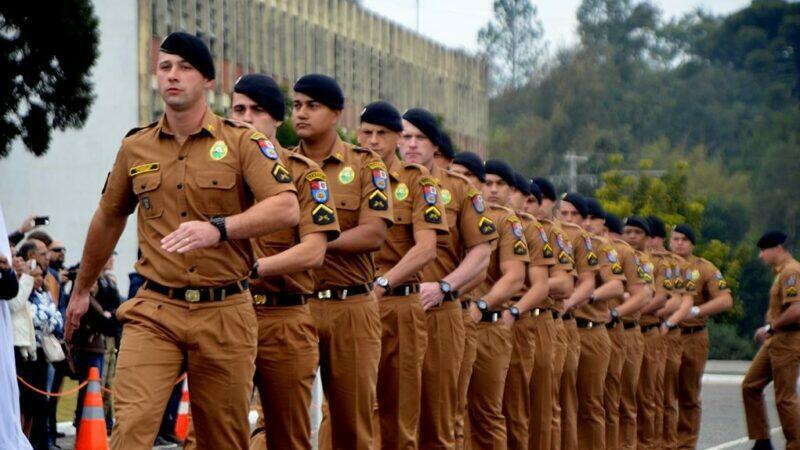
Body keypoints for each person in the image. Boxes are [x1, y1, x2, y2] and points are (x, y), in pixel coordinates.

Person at [65, 31, 300, 450]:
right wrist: (82, 290)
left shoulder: (242, 142)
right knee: (131, 428)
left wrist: (219, 228)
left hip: (225, 312)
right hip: (155, 309)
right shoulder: (135, 147)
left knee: (223, 440)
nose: (173, 76)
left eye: (186, 67)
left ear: (208, 80)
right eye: (165, 66)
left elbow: (286, 206)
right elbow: (108, 217)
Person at [229, 73, 341, 450]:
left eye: (257, 110)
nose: (246, 119)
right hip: (225, 315)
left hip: (284, 318)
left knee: (288, 435)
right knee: (210, 431)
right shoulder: (215, 175)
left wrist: (257, 269)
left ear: (277, 119)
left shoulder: (304, 174)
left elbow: (314, 250)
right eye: (238, 109)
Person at [291, 74, 393, 450]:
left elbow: (374, 233)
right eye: (297, 105)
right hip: (294, 305)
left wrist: (315, 244)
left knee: (352, 424)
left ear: (336, 114)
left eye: (312, 106)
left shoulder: (367, 166)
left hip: (350, 307)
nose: (301, 113)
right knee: (280, 419)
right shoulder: (277, 163)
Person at [358, 104, 449, 449]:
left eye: (382, 133)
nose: (373, 141)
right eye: (366, 132)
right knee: (347, 412)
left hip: (397, 306)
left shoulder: (417, 182)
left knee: (398, 417)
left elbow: (426, 249)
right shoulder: (346, 176)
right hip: (352, 306)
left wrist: (383, 284)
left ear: (396, 138)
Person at [410, 147, 497, 450]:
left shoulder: (463, 196)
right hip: (392, 310)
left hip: (450, 312)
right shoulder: (387, 183)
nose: (410, 144)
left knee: (449, 416)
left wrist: (446, 288)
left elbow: (482, 263)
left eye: (418, 137)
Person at [466, 158, 529, 449]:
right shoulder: (460, 211)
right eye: (486, 182)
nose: (491, 189)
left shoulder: (507, 221)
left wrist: (482, 304)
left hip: (488, 327)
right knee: (453, 415)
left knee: (488, 415)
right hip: (453, 322)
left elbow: (515, 277)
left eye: (498, 183)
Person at [561, 193, 624, 450]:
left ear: (587, 219)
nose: (569, 220)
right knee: (565, 405)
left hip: (592, 331)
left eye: (574, 215)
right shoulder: (556, 239)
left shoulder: (600, 246)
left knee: (591, 405)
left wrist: (590, 295)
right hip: (564, 328)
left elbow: (616, 285)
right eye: (563, 214)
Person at [449, 151, 501, 450]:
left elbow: (483, 269)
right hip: (419, 313)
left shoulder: (488, 220)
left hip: (467, 315)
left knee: (469, 412)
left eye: (466, 176)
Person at [504, 172, 555, 450]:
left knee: (525, 408)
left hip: (527, 320)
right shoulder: (480, 220)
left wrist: (513, 309)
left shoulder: (535, 230)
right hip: (482, 319)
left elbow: (553, 282)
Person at [671, 223, 732, 449]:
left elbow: (725, 300)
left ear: (692, 244)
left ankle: (685, 444)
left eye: (684, 239)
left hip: (693, 335)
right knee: (660, 394)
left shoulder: (704, 268)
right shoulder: (661, 264)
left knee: (688, 393)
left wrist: (697, 310)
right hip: (666, 336)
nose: (679, 243)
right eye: (675, 238)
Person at [742, 230, 800, 450]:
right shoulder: (782, 272)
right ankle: (762, 442)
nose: (760, 256)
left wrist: (771, 326)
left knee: (785, 398)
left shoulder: (791, 272)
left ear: (778, 248)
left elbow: (796, 309)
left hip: (787, 340)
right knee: (750, 385)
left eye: (763, 250)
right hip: (775, 341)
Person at [530, 177, 575, 450]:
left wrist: (530, 287)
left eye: (537, 199)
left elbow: (566, 284)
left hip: (546, 320)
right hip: (509, 322)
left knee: (547, 406)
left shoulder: (555, 235)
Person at [649, 215, 692, 450]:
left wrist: (668, 322)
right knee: (648, 395)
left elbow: (681, 301)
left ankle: (669, 444)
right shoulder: (638, 259)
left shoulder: (673, 264)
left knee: (665, 396)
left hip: (665, 334)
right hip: (645, 332)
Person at [1, 247, 33, 450]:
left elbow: (9, 293)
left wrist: (8, 272)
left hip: (15, 346)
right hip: (13, 343)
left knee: (28, 402)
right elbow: (15, 304)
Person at [28, 264, 63, 450]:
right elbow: (36, 319)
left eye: (41, 275)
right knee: (31, 402)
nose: (39, 279)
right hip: (30, 353)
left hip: (45, 353)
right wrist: (48, 317)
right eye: (34, 275)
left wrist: (47, 317)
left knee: (45, 399)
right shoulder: (26, 294)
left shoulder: (44, 295)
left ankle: (44, 440)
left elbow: (57, 319)